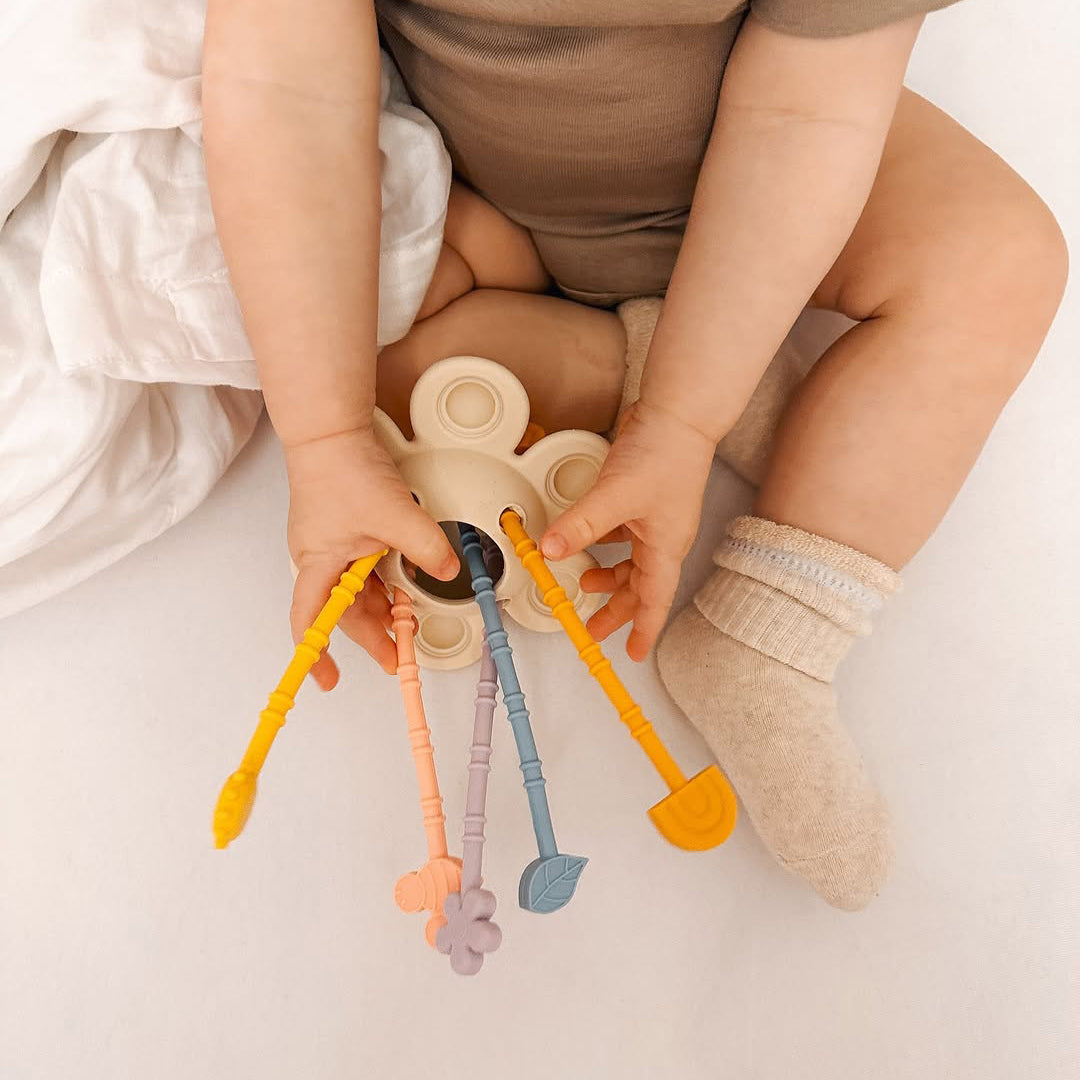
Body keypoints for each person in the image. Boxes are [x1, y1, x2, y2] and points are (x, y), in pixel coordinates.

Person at [202, 0, 1067, 909]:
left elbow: (806, 113)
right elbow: (286, 87)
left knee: (997, 261)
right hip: (486, 209)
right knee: (320, 338)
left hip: (773, 168)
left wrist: (685, 421)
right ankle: (657, 364)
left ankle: (769, 627)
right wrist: (324, 435)